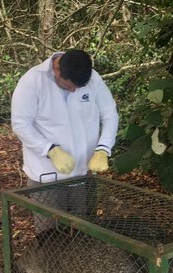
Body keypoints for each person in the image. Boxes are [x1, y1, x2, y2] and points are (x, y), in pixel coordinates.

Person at [11, 50, 119, 226]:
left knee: (85, 230)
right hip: (46, 177)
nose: (74, 90)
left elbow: (110, 115)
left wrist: (103, 149)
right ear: (57, 69)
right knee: (50, 235)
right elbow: (20, 124)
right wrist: (49, 149)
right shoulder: (32, 81)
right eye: (69, 86)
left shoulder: (93, 79)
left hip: (84, 173)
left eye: (78, 88)